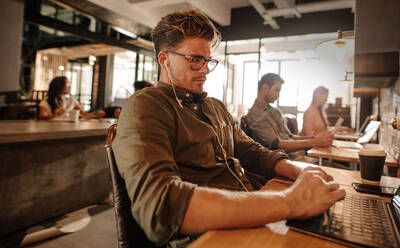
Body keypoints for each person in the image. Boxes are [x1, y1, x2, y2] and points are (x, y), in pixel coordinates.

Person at [112, 10, 345, 247]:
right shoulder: (146, 105)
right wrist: (291, 201)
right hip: (209, 235)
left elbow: (250, 150)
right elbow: (162, 206)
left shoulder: (215, 106)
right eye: (195, 60)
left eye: (208, 60)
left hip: (249, 207)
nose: (205, 70)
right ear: (165, 60)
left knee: (333, 229)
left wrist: (299, 171)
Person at [246, 73, 334, 157]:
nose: (278, 95)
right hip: (281, 161)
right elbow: (276, 145)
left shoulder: (275, 112)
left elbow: (290, 136)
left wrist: (317, 138)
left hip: (295, 155)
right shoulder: (255, 114)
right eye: (277, 90)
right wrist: (314, 142)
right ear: (265, 88)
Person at [38, 76, 105, 120]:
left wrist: (96, 116)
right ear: (60, 86)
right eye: (68, 84)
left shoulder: (71, 101)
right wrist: (54, 115)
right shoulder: (46, 101)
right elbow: (41, 117)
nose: (70, 86)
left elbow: (84, 114)